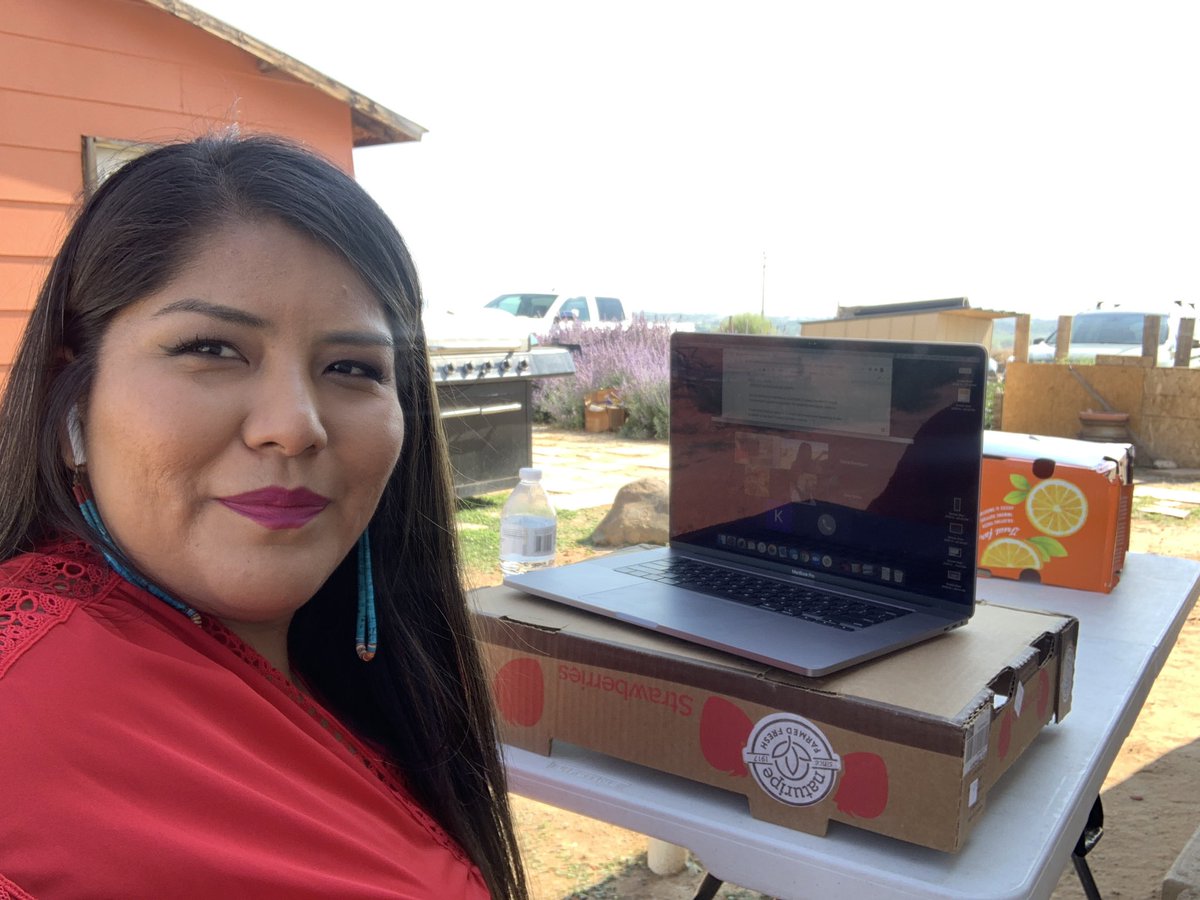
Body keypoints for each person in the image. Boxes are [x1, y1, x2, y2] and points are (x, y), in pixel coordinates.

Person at [0, 134, 526, 898]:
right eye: (212, 348)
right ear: (72, 399)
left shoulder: (362, 677)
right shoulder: (32, 708)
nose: (295, 424)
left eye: (352, 368)